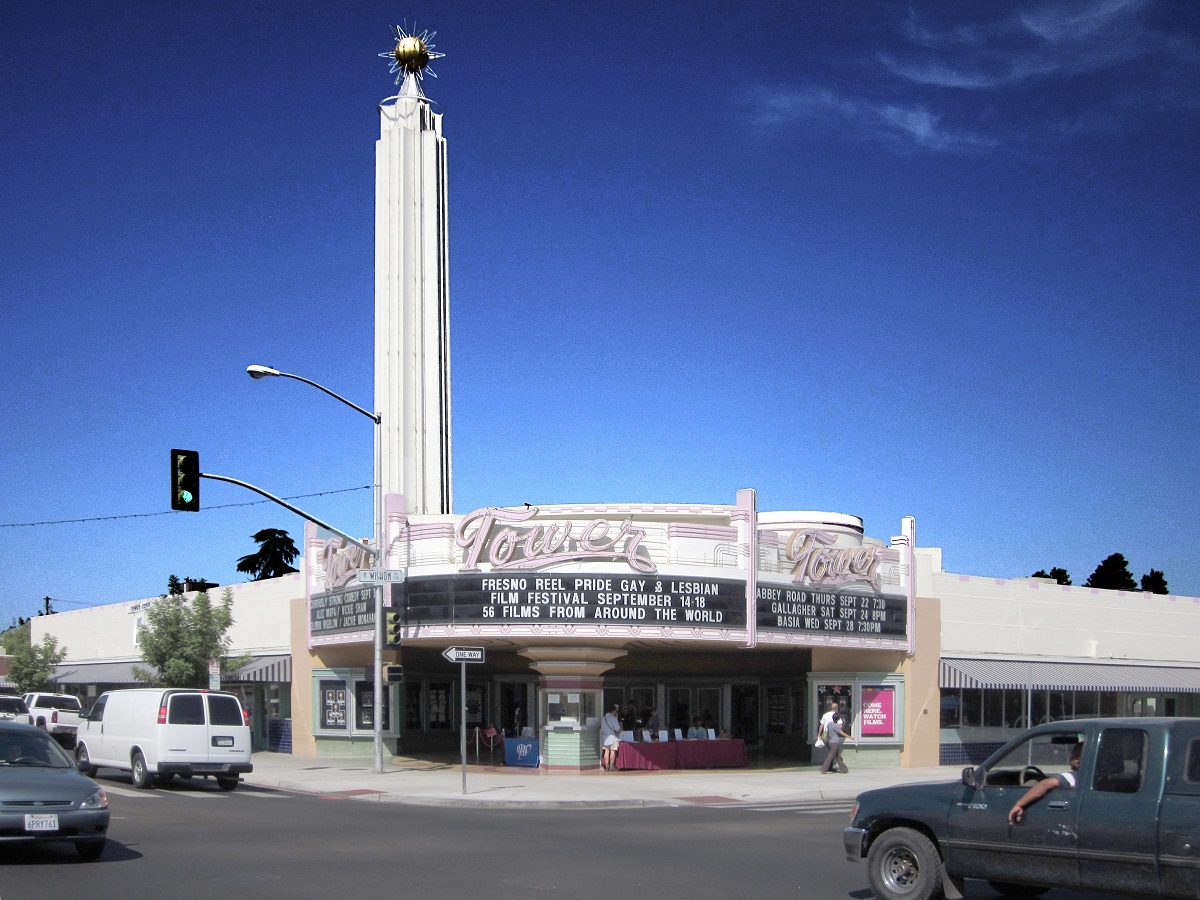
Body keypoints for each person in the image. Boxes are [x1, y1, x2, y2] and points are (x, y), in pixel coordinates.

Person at [1009, 741, 1083, 824]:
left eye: (1073, 755)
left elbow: (1045, 784)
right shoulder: (1088, 777)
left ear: (1077, 761)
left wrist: (1019, 804)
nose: (1070, 758)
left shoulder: (1072, 776)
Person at [600, 702, 622, 771]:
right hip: (613, 737)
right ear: (614, 711)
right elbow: (618, 730)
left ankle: (607, 766)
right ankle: (611, 766)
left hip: (605, 737)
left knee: (606, 751)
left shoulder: (603, 718)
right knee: (613, 751)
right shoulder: (613, 718)